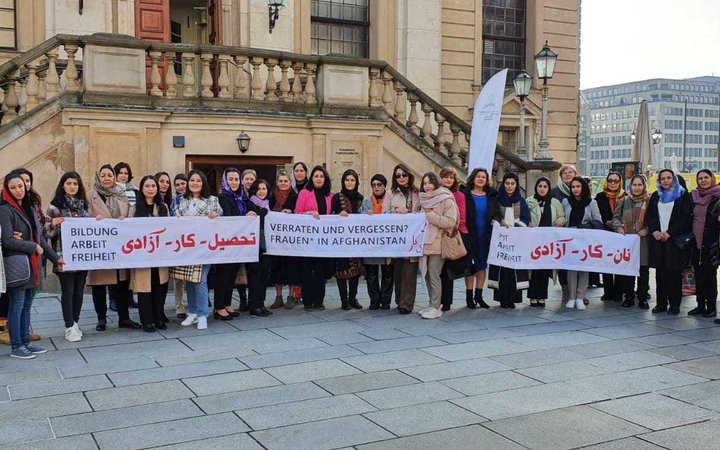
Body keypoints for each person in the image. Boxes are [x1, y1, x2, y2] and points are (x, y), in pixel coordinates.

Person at [0, 171, 61, 359]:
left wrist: (55, 259)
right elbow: (8, 240)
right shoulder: (5, 209)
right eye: (13, 188)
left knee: (26, 304)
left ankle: (25, 341)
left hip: (31, 264)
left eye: (21, 186)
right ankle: (17, 346)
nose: (18, 190)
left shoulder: (27, 207)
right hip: (17, 264)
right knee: (17, 305)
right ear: (7, 190)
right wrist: (31, 246)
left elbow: (40, 238)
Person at [87, 164, 141, 331]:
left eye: (109, 175)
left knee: (122, 285)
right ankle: (101, 319)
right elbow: (84, 216)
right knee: (99, 286)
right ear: (98, 177)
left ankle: (124, 318)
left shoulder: (121, 194)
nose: (106, 178)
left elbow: (131, 212)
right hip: (100, 247)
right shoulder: (90, 195)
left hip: (119, 247)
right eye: (103, 175)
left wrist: (126, 218)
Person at [45, 172, 90, 341]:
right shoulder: (54, 207)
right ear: (62, 185)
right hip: (62, 255)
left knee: (79, 291)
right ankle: (69, 325)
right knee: (68, 291)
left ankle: (75, 322)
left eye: (75, 184)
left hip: (82, 256)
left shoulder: (84, 206)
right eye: (69, 183)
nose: (72, 186)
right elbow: (46, 233)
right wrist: (53, 224)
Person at [175, 170, 222, 329]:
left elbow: (220, 216)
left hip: (205, 247)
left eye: (198, 180)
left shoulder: (212, 200)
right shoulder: (181, 200)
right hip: (186, 247)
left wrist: (215, 215)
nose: (195, 183)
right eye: (192, 180)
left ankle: (203, 314)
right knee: (188, 279)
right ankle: (193, 312)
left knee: (200, 280)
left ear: (203, 183)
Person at [647, 169, 694, 315]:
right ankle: (661, 303)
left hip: (674, 240)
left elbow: (686, 219)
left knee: (673, 273)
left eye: (669, 178)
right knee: (660, 273)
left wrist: (670, 232)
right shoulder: (656, 195)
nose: (666, 181)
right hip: (658, 239)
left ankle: (674, 304)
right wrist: (654, 231)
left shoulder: (682, 195)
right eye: (663, 178)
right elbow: (650, 216)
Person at [130, 176, 170, 332]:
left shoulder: (163, 207)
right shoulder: (135, 208)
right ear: (142, 188)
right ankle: (147, 321)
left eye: (153, 185)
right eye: (147, 185)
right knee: (145, 288)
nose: (151, 188)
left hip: (160, 254)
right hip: (142, 255)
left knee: (160, 287)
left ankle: (159, 317)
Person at [418, 172, 459, 319]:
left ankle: (436, 306)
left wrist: (431, 216)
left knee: (434, 274)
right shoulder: (422, 199)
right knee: (427, 275)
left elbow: (450, 221)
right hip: (424, 243)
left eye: (429, 182)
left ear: (435, 183)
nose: (427, 186)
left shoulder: (445, 198)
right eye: (424, 183)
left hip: (438, 242)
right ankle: (431, 303)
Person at [488, 172, 530, 308]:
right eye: (507, 183)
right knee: (502, 270)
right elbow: (493, 214)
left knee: (514, 270)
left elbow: (525, 218)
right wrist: (499, 223)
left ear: (516, 185)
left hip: (516, 239)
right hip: (501, 240)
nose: (510, 186)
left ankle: (513, 299)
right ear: (503, 184)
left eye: (512, 183)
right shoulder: (497, 199)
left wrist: (515, 228)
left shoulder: (521, 200)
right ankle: (502, 299)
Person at [295, 165, 334, 310]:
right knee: (307, 270)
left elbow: (333, 214)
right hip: (308, 238)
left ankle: (319, 301)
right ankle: (307, 301)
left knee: (320, 270)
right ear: (312, 178)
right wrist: (309, 214)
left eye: (321, 176)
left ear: (325, 179)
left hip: (323, 240)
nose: (319, 179)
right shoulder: (305, 193)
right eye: (316, 176)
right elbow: (297, 213)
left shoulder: (330, 195)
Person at [383, 164, 421, 314]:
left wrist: (411, 212)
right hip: (396, 240)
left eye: (404, 175)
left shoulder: (417, 193)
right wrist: (396, 211)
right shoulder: (390, 194)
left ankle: (407, 304)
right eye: (398, 176)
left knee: (410, 272)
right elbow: (384, 215)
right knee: (398, 272)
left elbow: (423, 212)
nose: (401, 178)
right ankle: (400, 300)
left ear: (409, 176)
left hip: (412, 238)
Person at [215, 168, 252, 320]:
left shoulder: (242, 197)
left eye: (237, 179)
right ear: (225, 181)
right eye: (231, 179)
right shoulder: (223, 197)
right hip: (225, 243)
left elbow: (257, 209)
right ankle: (218, 307)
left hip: (237, 245)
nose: (234, 182)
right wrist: (244, 216)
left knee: (231, 275)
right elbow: (230, 217)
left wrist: (253, 212)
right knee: (223, 275)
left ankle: (227, 303)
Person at [562, 177, 602, 310]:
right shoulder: (566, 202)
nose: (575, 189)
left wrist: (585, 226)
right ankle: (572, 297)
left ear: (583, 187)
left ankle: (580, 297)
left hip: (585, 239)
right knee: (571, 268)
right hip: (570, 239)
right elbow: (562, 219)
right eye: (573, 187)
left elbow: (598, 221)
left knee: (584, 268)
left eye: (578, 186)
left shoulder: (591, 203)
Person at [613, 174, 651, 309]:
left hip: (643, 240)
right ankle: (628, 296)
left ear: (644, 186)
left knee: (643, 270)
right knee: (628, 270)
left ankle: (642, 297)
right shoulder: (624, 200)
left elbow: (653, 220)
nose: (637, 187)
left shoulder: (650, 200)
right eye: (634, 185)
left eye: (640, 185)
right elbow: (616, 218)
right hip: (627, 240)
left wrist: (646, 230)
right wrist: (619, 228)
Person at [526, 177, 565, 307]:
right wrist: (528, 223)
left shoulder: (555, 202)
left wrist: (559, 222)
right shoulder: (529, 201)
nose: (542, 189)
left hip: (548, 242)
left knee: (544, 270)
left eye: (545, 186)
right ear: (536, 187)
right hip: (533, 241)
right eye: (540, 186)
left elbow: (561, 216)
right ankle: (532, 296)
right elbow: (523, 217)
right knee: (533, 270)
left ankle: (542, 296)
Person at [439, 167, 471, 311]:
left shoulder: (459, 195)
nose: (448, 180)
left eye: (451, 177)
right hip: (436, 235)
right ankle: (436, 300)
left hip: (451, 234)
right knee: (436, 270)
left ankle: (446, 301)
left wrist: (452, 229)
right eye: (445, 177)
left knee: (448, 270)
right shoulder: (435, 194)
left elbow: (462, 217)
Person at [689, 169, 720, 317]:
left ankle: (711, 307)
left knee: (710, 276)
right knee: (699, 275)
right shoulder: (694, 196)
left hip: (711, 244)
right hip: (696, 243)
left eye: (706, 177)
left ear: (712, 178)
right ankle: (700, 305)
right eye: (700, 178)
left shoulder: (717, 197)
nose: (703, 180)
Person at [331, 169, 364, 310]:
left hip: (356, 239)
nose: (349, 183)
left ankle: (353, 298)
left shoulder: (361, 198)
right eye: (347, 180)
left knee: (355, 270)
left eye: (352, 180)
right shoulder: (337, 197)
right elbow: (330, 215)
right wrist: (338, 214)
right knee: (342, 269)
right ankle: (344, 300)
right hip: (341, 239)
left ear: (356, 182)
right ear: (343, 181)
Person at [361, 174, 394, 310]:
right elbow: (360, 220)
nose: (376, 187)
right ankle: (374, 301)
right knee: (372, 274)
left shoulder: (391, 200)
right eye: (373, 185)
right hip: (371, 245)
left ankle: (386, 301)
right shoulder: (366, 201)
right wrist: (366, 216)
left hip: (387, 244)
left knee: (387, 274)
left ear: (384, 186)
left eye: (379, 184)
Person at [464, 168, 495, 309]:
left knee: (482, 266)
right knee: (470, 266)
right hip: (470, 235)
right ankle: (469, 297)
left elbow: (497, 212)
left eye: (484, 177)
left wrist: (496, 220)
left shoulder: (491, 195)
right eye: (478, 176)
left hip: (486, 235)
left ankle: (479, 296)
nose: (481, 179)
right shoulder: (466, 194)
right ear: (473, 178)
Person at [269, 170, 300, 309]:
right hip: (276, 239)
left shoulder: (295, 196)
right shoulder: (271, 196)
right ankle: (278, 297)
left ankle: (291, 296)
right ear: (276, 182)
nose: (283, 183)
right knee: (277, 268)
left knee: (292, 267)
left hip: (291, 240)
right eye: (280, 181)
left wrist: (291, 213)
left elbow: (299, 212)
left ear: (290, 182)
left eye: (285, 181)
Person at [595, 172, 625, 302]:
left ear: (620, 182)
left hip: (621, 233)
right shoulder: (600, 196)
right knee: (606, 262)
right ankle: (608, 291)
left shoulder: (626, 196)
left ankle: (619, 291)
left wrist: (619, 224)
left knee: (620, 262)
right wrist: (606, 222)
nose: (613, 183)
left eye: (616, 181)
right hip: (605, 232)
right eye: (610, 181)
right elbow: (597, 214)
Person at [551, 164, 579, 302]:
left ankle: (579, 292)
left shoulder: (580, 189)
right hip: (560, 233)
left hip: (577, 232)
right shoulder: (555, 191)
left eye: (570, 172)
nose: (568, 175)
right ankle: (566, 290)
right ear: (561, 176)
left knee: (577, 261)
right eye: (565, 173)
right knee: (562, 262)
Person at [247, 179, 273, 316]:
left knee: (265, 276)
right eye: (259, 189)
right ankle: (254, 305)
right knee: (255, 276)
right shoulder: (250, 203)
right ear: (254, 190)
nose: (261, 191)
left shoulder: (270, 204)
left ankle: (261, 304)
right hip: (255, 246)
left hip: (268, 246)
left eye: (264, 188)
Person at [170, 173, 188, 319]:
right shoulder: (173, 201)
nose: (181, 186)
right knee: (178, 278)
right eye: (177, 184)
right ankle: (179, 306)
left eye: (183, 183)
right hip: (178, 243)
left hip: (194, 242)